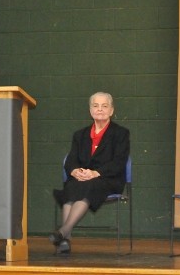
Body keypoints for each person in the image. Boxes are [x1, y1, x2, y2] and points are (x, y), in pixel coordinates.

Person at [50, 92, 130, 254]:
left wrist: (96, 173)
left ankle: (64, 232)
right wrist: (75, 171)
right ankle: (64, 239)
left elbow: (119, 163)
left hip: (108, 180)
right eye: (95, 106)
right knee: (72, 188)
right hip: (83, 179)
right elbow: (71, 160)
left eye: (104, 106)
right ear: (90, 110)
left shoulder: (121, 134)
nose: (99, 109)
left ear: (111, 110)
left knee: (87, 187)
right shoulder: (79, 135)